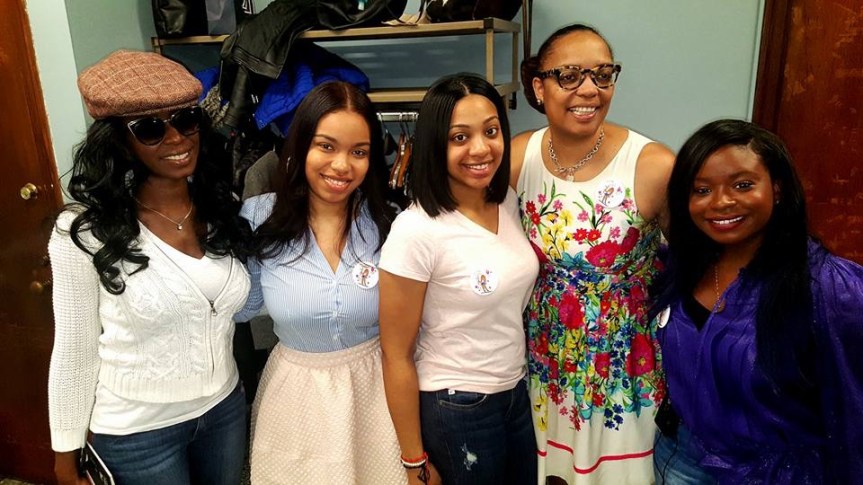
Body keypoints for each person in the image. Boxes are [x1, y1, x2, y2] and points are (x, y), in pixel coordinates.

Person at [48, 50, 251, 485]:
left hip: (224, 411)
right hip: (137, 432)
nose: (176, 139)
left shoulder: (220, 208)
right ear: (120, 141)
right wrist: (66, 452)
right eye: (150, 129)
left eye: (186, 120)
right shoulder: (84, 232)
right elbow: (74, 349)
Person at [653, 119, 863, 484]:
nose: (720, 202)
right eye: (702, 190)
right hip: (680, 457)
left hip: (775, 475)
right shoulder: (682, 265)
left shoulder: (830, 288)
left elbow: (853, 411)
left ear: (777, 188)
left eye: (743, 185)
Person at [513, 24, 676, 483]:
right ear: (539, 87)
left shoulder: (653, 166)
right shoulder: (517, 158)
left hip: (621, 372)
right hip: (542, 362)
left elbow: (698, 267)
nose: (589, 89)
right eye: (569, 75)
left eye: (603, 75)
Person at [233, 81, 406, 484]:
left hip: (375, 393)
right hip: (295, 397)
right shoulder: (259, 217)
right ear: (300, 146)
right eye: (326, 146)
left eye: (358, 152)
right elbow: (240, 306)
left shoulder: (389, 222)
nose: (342, 165)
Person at [379, 73, 539, 485]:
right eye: (460, 137)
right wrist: (413, 461)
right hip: (457, 405)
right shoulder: (416, 230)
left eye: (491, 131)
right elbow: (395, 355)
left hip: (514, 391)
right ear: (436, 145)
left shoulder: (507, 201)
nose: (481, 149)